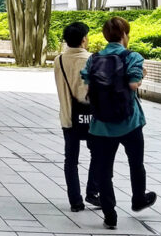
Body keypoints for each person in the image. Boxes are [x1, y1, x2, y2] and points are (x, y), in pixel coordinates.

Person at [82, 17, 156, 229]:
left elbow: (88, 86)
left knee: (104, 170)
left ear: (106, 36)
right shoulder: (132, 57)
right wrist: (141, 76)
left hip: (101, 125)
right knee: (135, 163)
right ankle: (138, 199)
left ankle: (109, 214)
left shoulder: (94, 59)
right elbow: (133, 84)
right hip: (129, 122)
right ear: (125, 35)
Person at [53, 22, 99, 212]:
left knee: (70, 159)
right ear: (83, 40)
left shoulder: (59, 60)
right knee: (97, 155)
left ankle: (75, 201)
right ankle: (92, 191)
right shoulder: (92, 60)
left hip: (68, 118)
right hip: (92, 118)